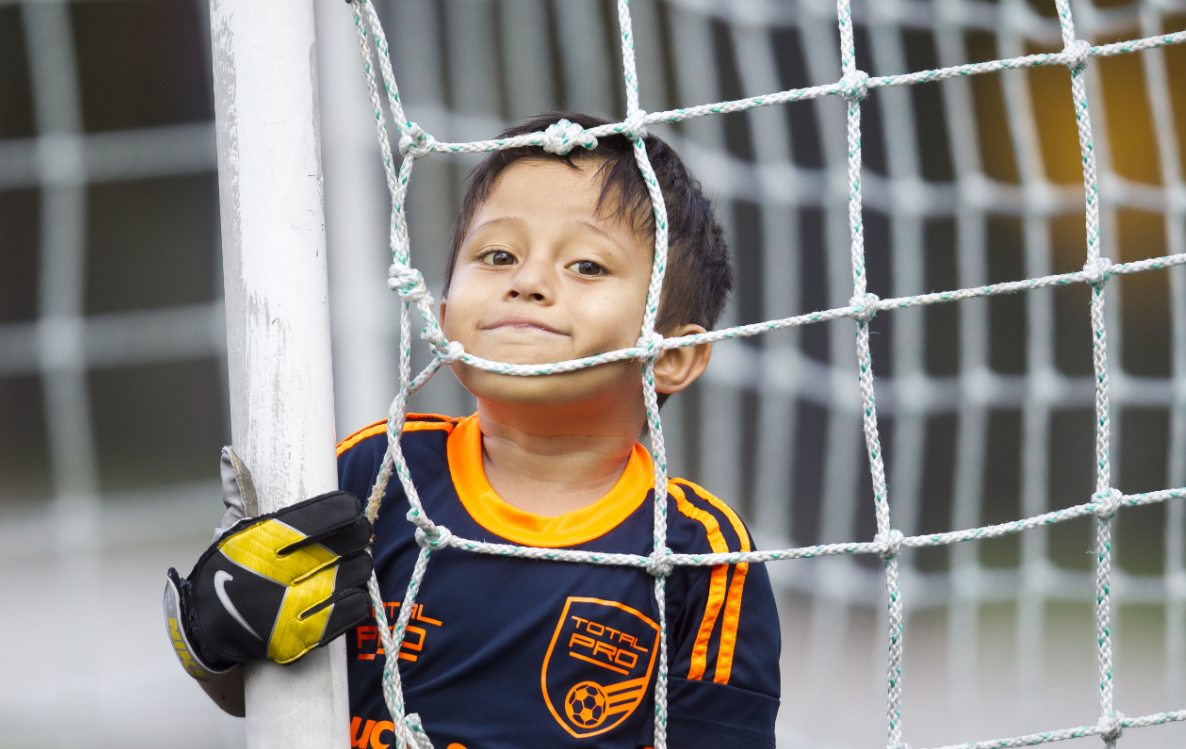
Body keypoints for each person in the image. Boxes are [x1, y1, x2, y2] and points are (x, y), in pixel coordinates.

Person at [163, 112, 781, 749]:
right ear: (446, 313)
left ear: (672, 355)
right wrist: (217, 631)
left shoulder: (701, 553)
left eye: (587, 267)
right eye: (498, 255)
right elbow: (256, 695)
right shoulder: (375, 476)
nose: (529, 283)